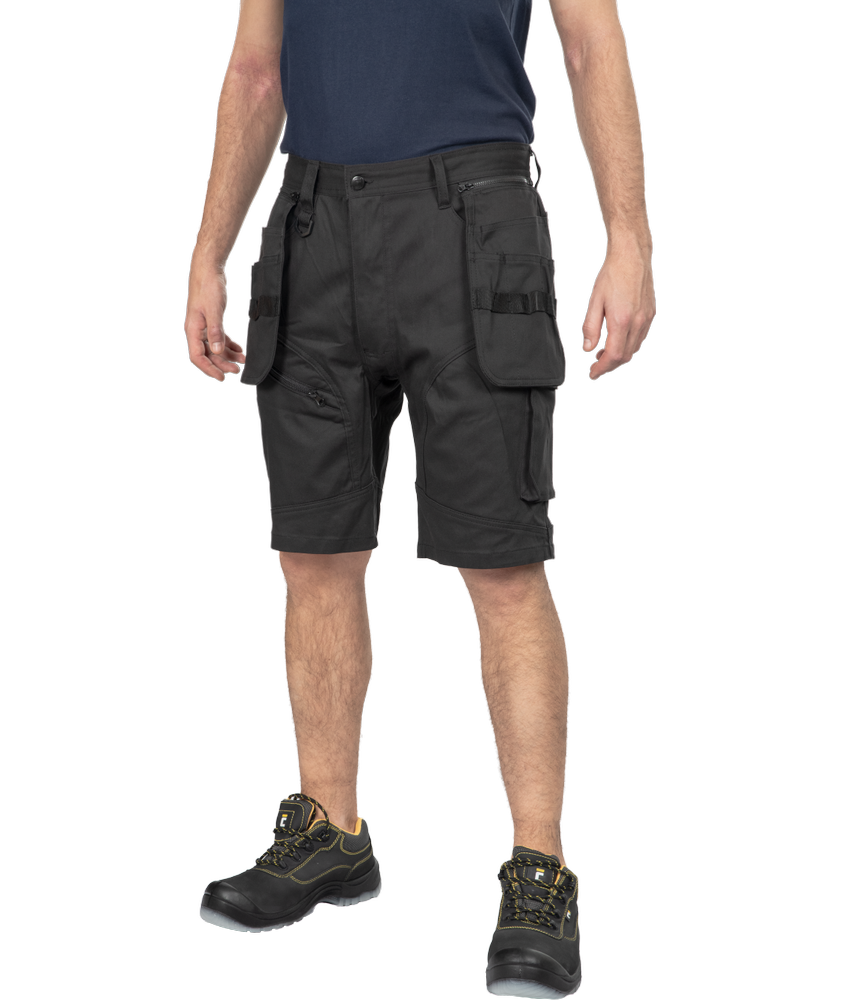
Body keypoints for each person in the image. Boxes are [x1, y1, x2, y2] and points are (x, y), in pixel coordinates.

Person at [187, 2, 654, 996]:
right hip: (311, 222)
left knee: (501, 561)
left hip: (473, 219)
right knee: (313, 550)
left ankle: (539, 869)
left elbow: (590, 40)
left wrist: (630, 239)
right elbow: (256, 70)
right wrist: (208, 251)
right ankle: (330, 829)